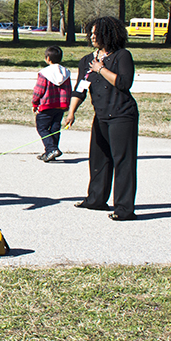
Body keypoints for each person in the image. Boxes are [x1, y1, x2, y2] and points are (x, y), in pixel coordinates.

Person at [65, 16, 138, 221]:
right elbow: (80, 88)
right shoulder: (87, 60)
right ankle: (96, 199)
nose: (92, 36)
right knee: (98, 158)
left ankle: (124, 209)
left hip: (122, 115)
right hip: (102, 115)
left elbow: (124, 83)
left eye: (96, 33)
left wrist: (101, 69)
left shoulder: (122, 56)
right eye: (91, 33)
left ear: (109, 34)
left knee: (123, 161)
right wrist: (71, 112)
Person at [32, 45, 72, 162]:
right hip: (60, 106)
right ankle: (51, 151)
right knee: (55, 128)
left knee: (42, 128)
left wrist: (35, 103)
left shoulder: (44, 73)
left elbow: (39, 90)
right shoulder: (66, 73)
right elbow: (69, 89)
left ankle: (51, 149)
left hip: (46, 105)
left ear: (48, 58)